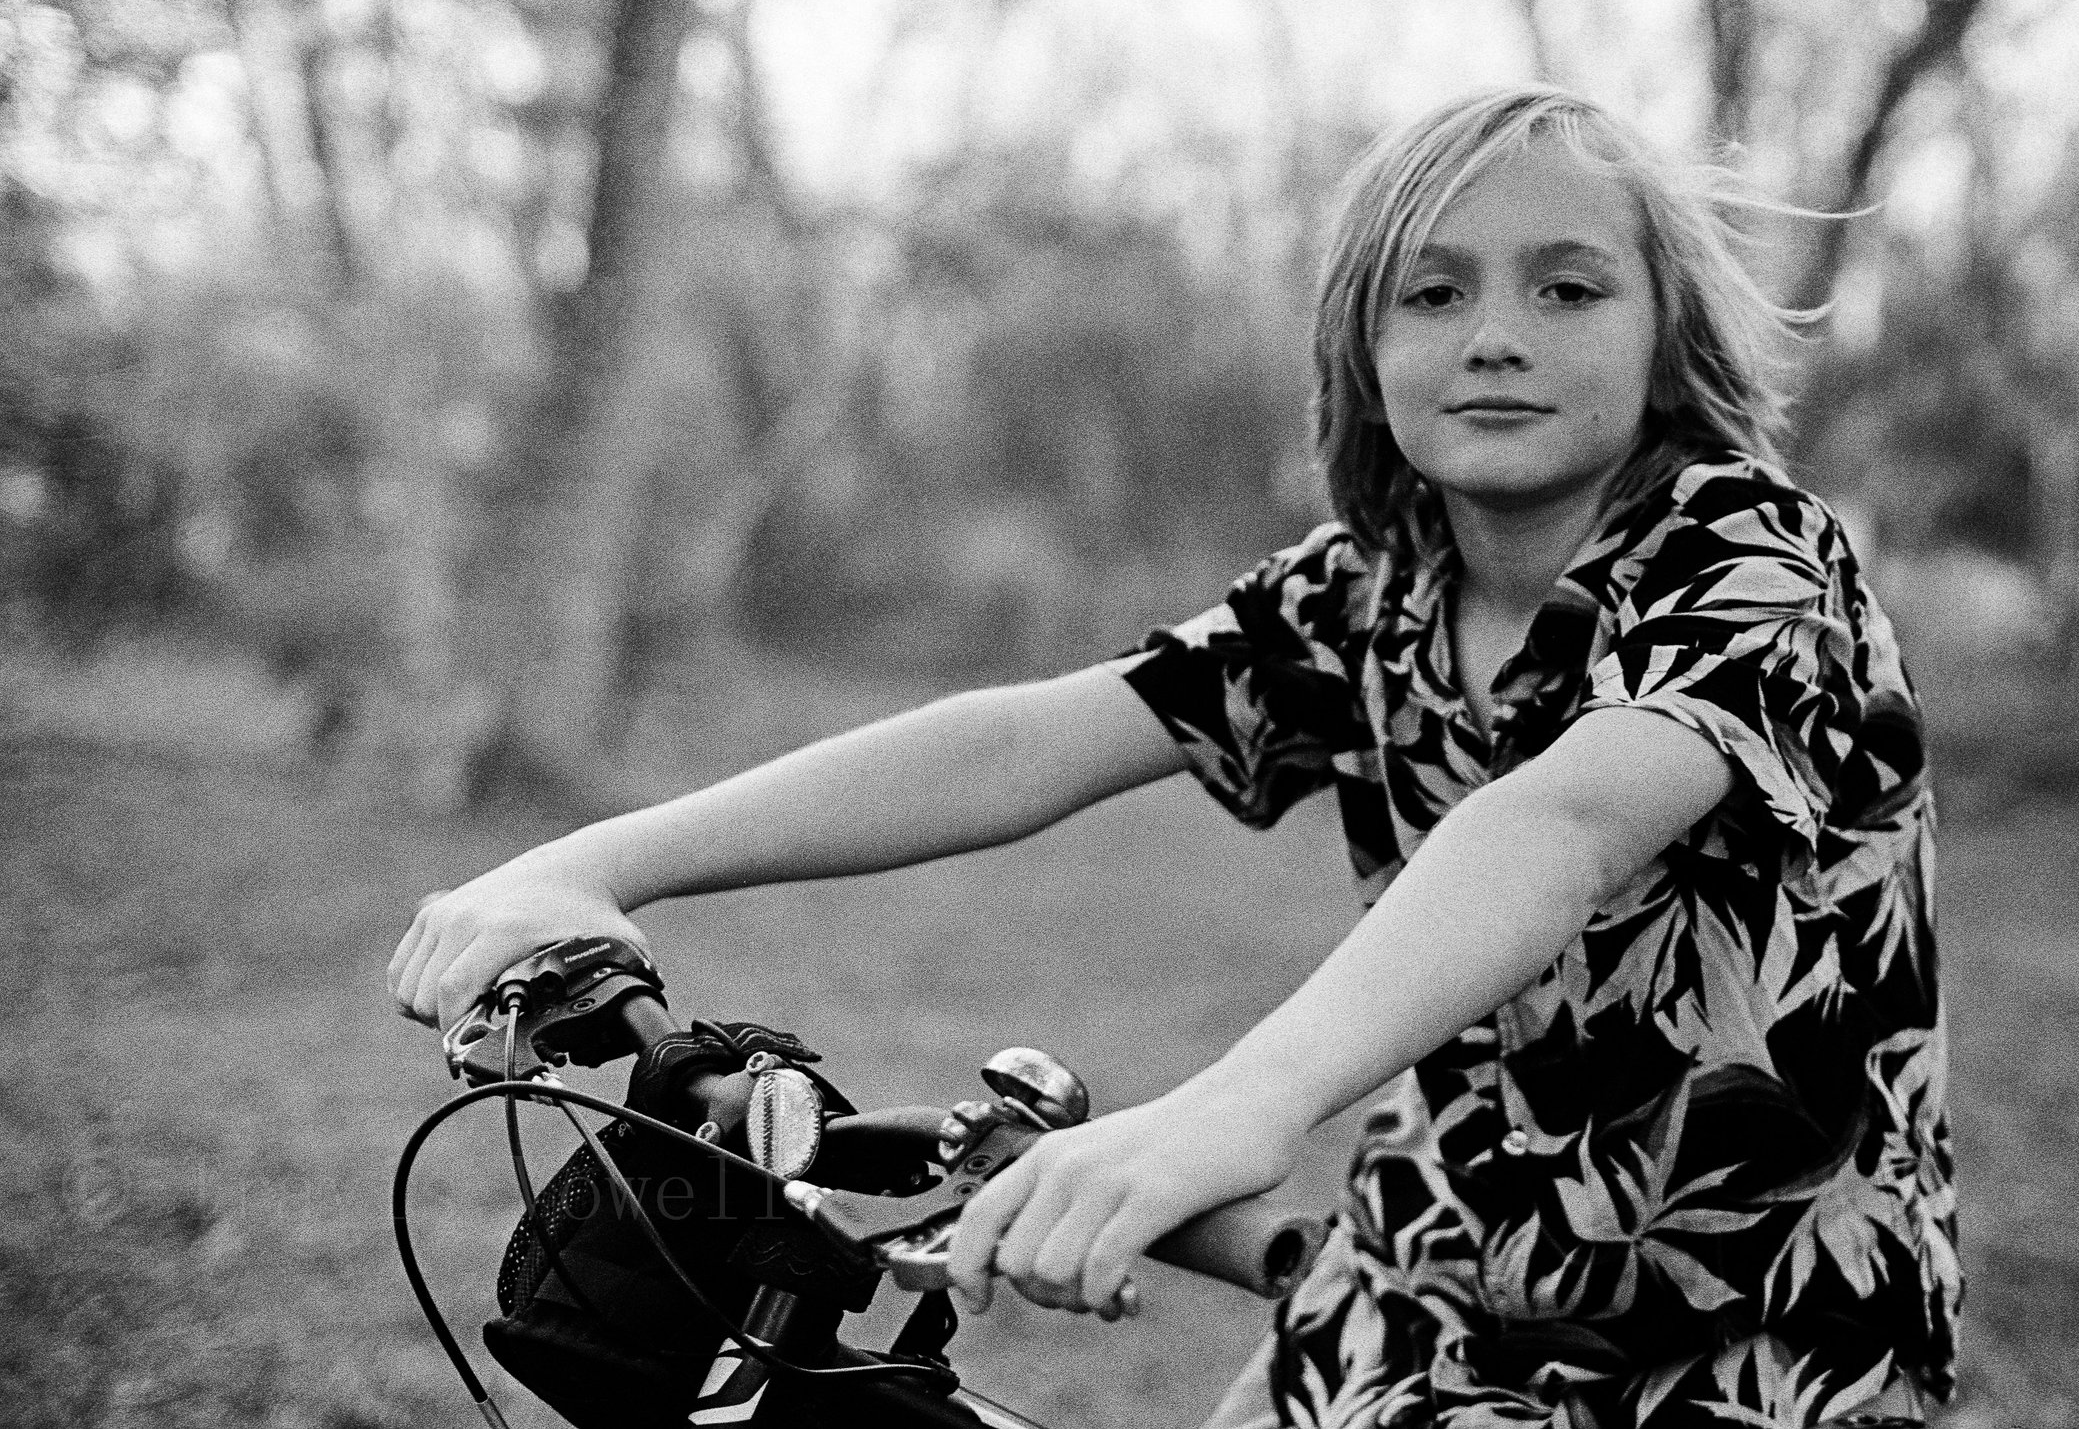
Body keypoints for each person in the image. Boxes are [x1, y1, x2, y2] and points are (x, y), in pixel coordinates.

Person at [390, 86, 1956, 1429]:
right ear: (1362, 337)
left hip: (1759, 1342)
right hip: (1411, 1304)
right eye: (1433, 293)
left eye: (1568, 289)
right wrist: (590, 860)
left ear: (1666, 326)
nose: (1494, 338)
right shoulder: (1367, 593)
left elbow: (1563, 822)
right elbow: (1029, 738)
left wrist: (1238, 1105)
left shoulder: (1748, 557)